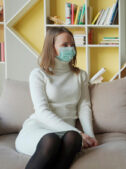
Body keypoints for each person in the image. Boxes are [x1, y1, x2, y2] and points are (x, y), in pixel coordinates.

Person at [15, 27, 98, 169]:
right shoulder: (38, 74)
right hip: (39, 130)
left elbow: (84, 106)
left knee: (73, 138)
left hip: (68, 134)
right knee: (52, 140)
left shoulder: (81, 75)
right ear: (51, 48)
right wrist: (79, 133)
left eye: (72, 45)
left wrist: (90, 135)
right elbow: (42, 111)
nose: (70, 48)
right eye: (64, 45)